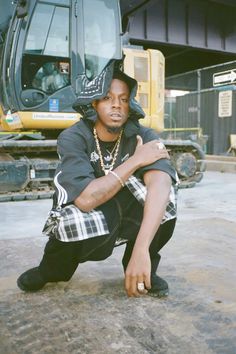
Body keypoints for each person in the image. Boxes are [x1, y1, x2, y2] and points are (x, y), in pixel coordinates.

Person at [17, 70, 178, 297]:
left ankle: (143, 265)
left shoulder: (143, 135)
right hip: (90, 209)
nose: (116, 105)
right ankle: (51, 270)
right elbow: (84, 200)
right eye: (107, 98)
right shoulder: (74, 137)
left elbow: (161, 182)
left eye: (123, 99)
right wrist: (136, 160)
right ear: (93, 103)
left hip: (126, 206)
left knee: (166, 200)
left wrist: (141, 250)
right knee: (69, 220)